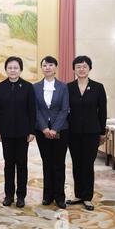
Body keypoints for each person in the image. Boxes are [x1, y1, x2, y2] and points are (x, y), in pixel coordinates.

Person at [0, 56, 36, 208]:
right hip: (6, 132)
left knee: (22, 165)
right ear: (6, 70)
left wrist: (32, 131)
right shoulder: (0, 87)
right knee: (8, 164)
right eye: (10, 67)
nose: (13, 70)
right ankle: (8, 195)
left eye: (15, 67)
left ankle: (21, 196)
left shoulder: (28, 87)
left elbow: (32, 111)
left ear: (20, 69)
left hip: (23, 133)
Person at [66, 55, 107, 211]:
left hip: (92, 131)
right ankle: (78, 195)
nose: (81, 69)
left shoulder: (98, 87)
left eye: (84, 66)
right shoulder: (68, 87)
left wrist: (102, 132)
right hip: (73, 131)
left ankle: (87, 197)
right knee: (77, 163)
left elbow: (102, 111)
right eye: (78, 66)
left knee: (88, 164)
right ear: (74, 69)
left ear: (90, 68)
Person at [33, 56, 69, 209]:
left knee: (59, 163)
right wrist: (44, 128)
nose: (47, 67)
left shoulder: (63, 87)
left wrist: (55, 128)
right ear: (41, 68)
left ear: (55, 68)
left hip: (61, 130)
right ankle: (47, 196)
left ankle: (60, 197)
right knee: (47, 162)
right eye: (44, 65)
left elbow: (64, 109)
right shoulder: (35, 87)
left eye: (50, 65)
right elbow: (35, 110)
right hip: (42, 131)